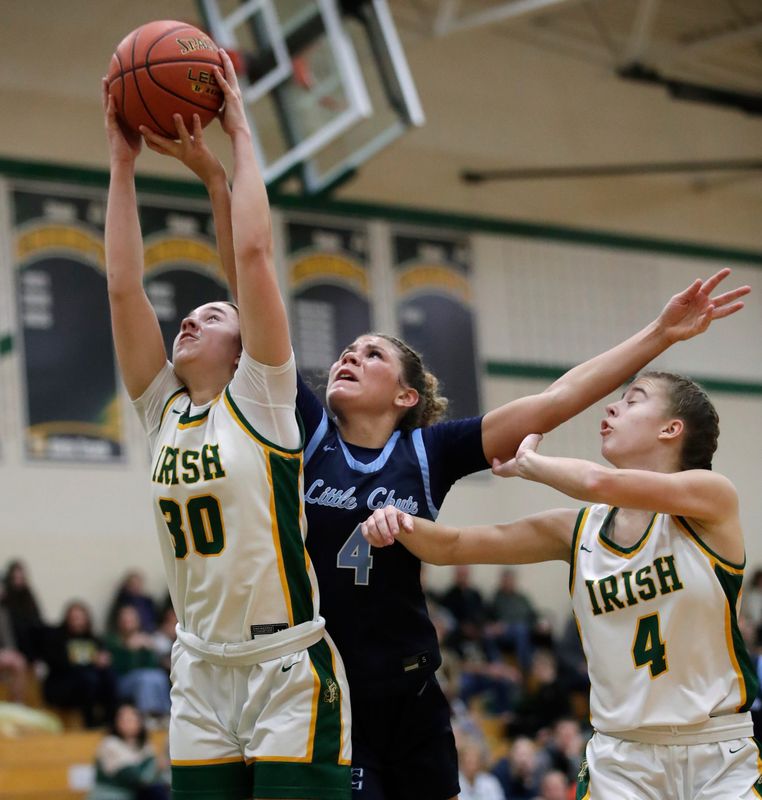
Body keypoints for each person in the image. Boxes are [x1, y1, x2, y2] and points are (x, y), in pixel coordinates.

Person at [153, 147, 751, 799]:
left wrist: (659, 334)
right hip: (327, 690)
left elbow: (556, 400)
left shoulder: (430, 452)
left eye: (372, 354)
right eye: (347, 352)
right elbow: (249, 276)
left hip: (413, 693)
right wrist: (219, 183)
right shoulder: (299, 427)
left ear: (407, 396)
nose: (350, 357)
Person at [103, 48, 350, 800]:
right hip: (199, 670)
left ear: (245, 349)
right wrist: (122, 165)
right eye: (192, 311)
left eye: (213, 314)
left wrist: (242, 138)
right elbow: (122, 288)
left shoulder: (263, 400)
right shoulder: (164, 408)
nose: (188, 317)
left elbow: (251, 252)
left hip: (285, 668)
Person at [362, 369, 762, 798]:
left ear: (671, 428)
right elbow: (454, 546)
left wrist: (535, 464)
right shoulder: (577, 530)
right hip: (622, 760)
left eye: (634, 399)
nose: (612, 407)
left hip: (717, 752)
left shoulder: (711, 499)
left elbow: (597, 482)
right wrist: (398, 521)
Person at [42, 600, 117, 728]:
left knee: (109, 675)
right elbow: (58, 664)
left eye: (80, 617)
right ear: (67, 619)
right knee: (88, 679)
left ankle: (111, 720)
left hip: (92, 685)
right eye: (73, 617)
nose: (77, 621)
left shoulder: (95, 639)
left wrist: (104, 660)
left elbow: (103, 661)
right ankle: (90, 724)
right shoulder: (57, 638)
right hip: (63, 686)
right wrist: (91, 660)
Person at [89, 703, 169, 800]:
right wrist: (157, 766)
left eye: (131, 719)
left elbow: (156, 777)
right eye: (123, 719)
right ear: (116, 722)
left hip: (133, 794)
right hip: (110, 795)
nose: (127, 723)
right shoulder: (110, 744)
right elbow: (136, 779)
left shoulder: (145, 745)